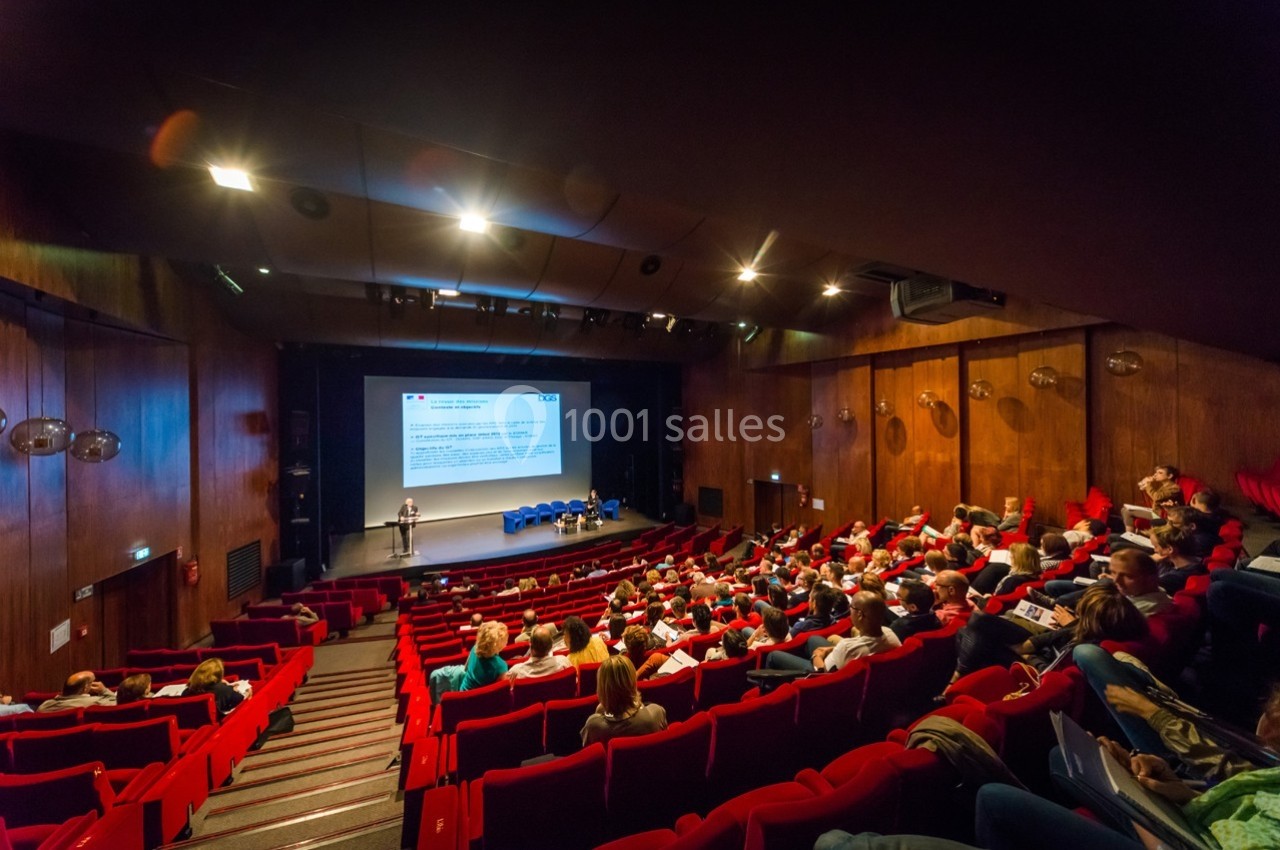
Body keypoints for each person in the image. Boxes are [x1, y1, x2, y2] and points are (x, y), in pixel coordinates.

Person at [767, 592, 901, 673]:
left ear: (860, 615)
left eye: (852, 607)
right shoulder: (889, 633)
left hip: (825, 675)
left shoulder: (847, 648)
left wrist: (817, 656)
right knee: (813, 639)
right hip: (845, 659)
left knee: (773, 655)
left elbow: (823, 672)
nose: (850, 610)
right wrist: (831, 649)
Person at [580, 655, 668, 747]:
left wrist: (599, 711)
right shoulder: (656, 713)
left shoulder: (594, 726)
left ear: (602, 687)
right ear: (633, 681)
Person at [428, 620, 510, 703]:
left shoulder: (475, 648)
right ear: (498, 644)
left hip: (463, 693)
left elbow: (466, 669)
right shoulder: (501, 666)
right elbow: (498, 692)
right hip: (479, 701)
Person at [1122, 464, 1183, 532]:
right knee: (1124, 509)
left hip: (1163, 515)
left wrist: (1148, 484)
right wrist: (1144, 485)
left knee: (1128, 512)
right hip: (1155, 511)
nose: (1155, 475)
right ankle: (1130, 534)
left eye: (1160, 473)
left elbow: (1157, 497)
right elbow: (1153, 498)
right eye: (1156, 472)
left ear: (1170, 476)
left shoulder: (1174, 488)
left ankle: (1130, 536)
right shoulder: (1164, 486)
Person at [38, 671, 116, 712]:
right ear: (85, 688)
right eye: (93, 681)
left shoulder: (44, 706)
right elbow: (117, 703)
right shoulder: (96, 702)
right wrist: (104, 690)